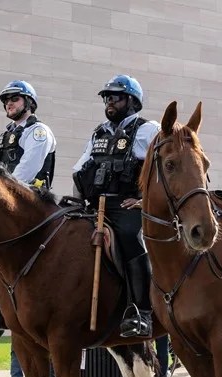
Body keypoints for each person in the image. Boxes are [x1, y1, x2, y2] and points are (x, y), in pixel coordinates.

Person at [72, 74, 161, 339]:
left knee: (132, 239)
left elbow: (162, 172)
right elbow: (79, 169)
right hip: (93, 205)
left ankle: (141, 312)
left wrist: (146, 202)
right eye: (107, 98)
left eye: (116, 97)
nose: (109, 102)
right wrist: (77, 203)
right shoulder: (98, 132)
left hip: (127, 205)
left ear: (132, 101)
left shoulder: (148, 130)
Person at [0, 79, 59, 377]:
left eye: (14, 99)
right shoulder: (5, 135)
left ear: (28, 101)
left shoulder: (38, 132)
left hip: (32, 208)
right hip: (5, 209)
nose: (8, 103)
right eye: (6, 100)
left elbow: (25, 170)